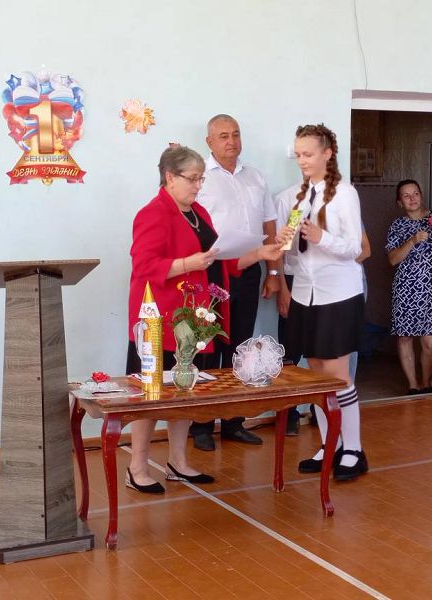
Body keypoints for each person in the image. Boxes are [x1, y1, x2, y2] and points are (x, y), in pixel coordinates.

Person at [126, 145, 283, 493]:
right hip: (160, 320)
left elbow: (221, 262)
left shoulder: (199, 213)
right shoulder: (153, 214)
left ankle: (178, 462)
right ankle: (136, 467)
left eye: (201, 179)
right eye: (193, 179)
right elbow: (145, 266)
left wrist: (260, 253)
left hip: (194, 320)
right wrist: (188, 264)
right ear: (170, 177)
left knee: (187, 390)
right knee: (151, 394)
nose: (199, 186)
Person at [278, 123, 367, 481]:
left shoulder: (345, 194)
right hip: (306, 293)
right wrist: (286, 243)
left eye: (308, 154)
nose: (302, 160)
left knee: (338, 376)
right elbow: (296, 255)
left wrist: (321, 236)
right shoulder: (300, 197)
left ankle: (354, 449)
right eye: (298, 155)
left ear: (327, 154)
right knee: (316, 375)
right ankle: (331, 444)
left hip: (338, 294)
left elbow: (355, 247)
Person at [189, 114, 281, 451]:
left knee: (240, 345)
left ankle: (233, 422)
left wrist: (273, 273)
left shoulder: (256, 176)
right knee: (206, 345)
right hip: (211, 273)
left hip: (250, 269)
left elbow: (269, 227)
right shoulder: (200, 177)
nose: (231, 141)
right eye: (223, 136)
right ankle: (200, 425)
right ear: (209, 142)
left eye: (236, 134)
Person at [386, 179, 432, 394]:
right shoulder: (397, 226)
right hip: (405, 289)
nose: (412, 198)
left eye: (415, 193)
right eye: (406, 196)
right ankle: (413, 386)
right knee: (405, 337)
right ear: (400, 202)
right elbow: (392, 259)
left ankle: (426, 384)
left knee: (430, 341)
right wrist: (412, 241)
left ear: (421, 195)